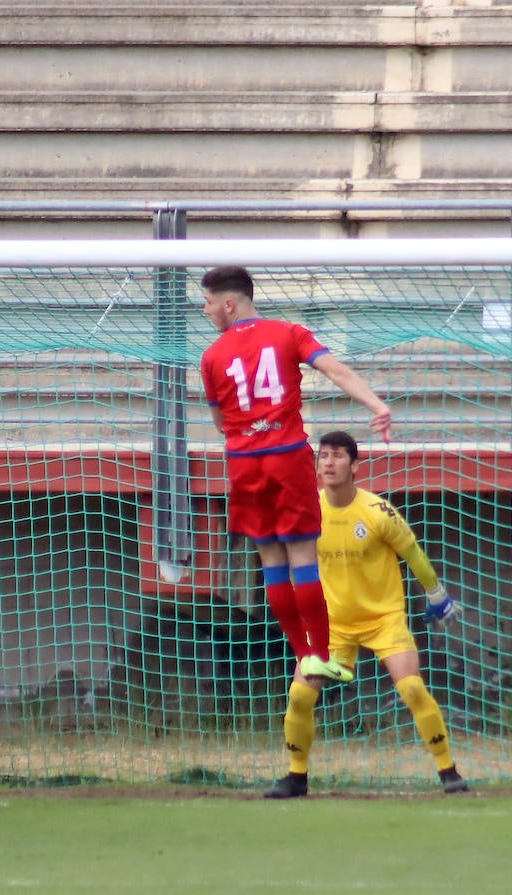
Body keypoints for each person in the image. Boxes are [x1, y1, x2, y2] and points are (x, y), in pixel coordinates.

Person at [200, 266, 392, 683]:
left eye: (209, 302)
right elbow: (335, 370)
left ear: (229, 304)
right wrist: (377, 405)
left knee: (271, 562)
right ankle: (321, 654)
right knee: (303, 559)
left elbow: (219, 422)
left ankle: (303, 655)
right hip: (287, 456)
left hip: (244, 462)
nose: (205, 310)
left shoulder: (211, 357)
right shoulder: (289, 333)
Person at [264, 431, 467, 799]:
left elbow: (414, 554)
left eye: (337, 455)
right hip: (332, 625)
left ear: (355, 465)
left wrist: (437, 594)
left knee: (411, 688)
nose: (328, 462)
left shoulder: (377, 512)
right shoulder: (305, 511)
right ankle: (296, 777)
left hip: (383, 620)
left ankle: (448, 770)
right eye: (323, 455)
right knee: (299, 696)